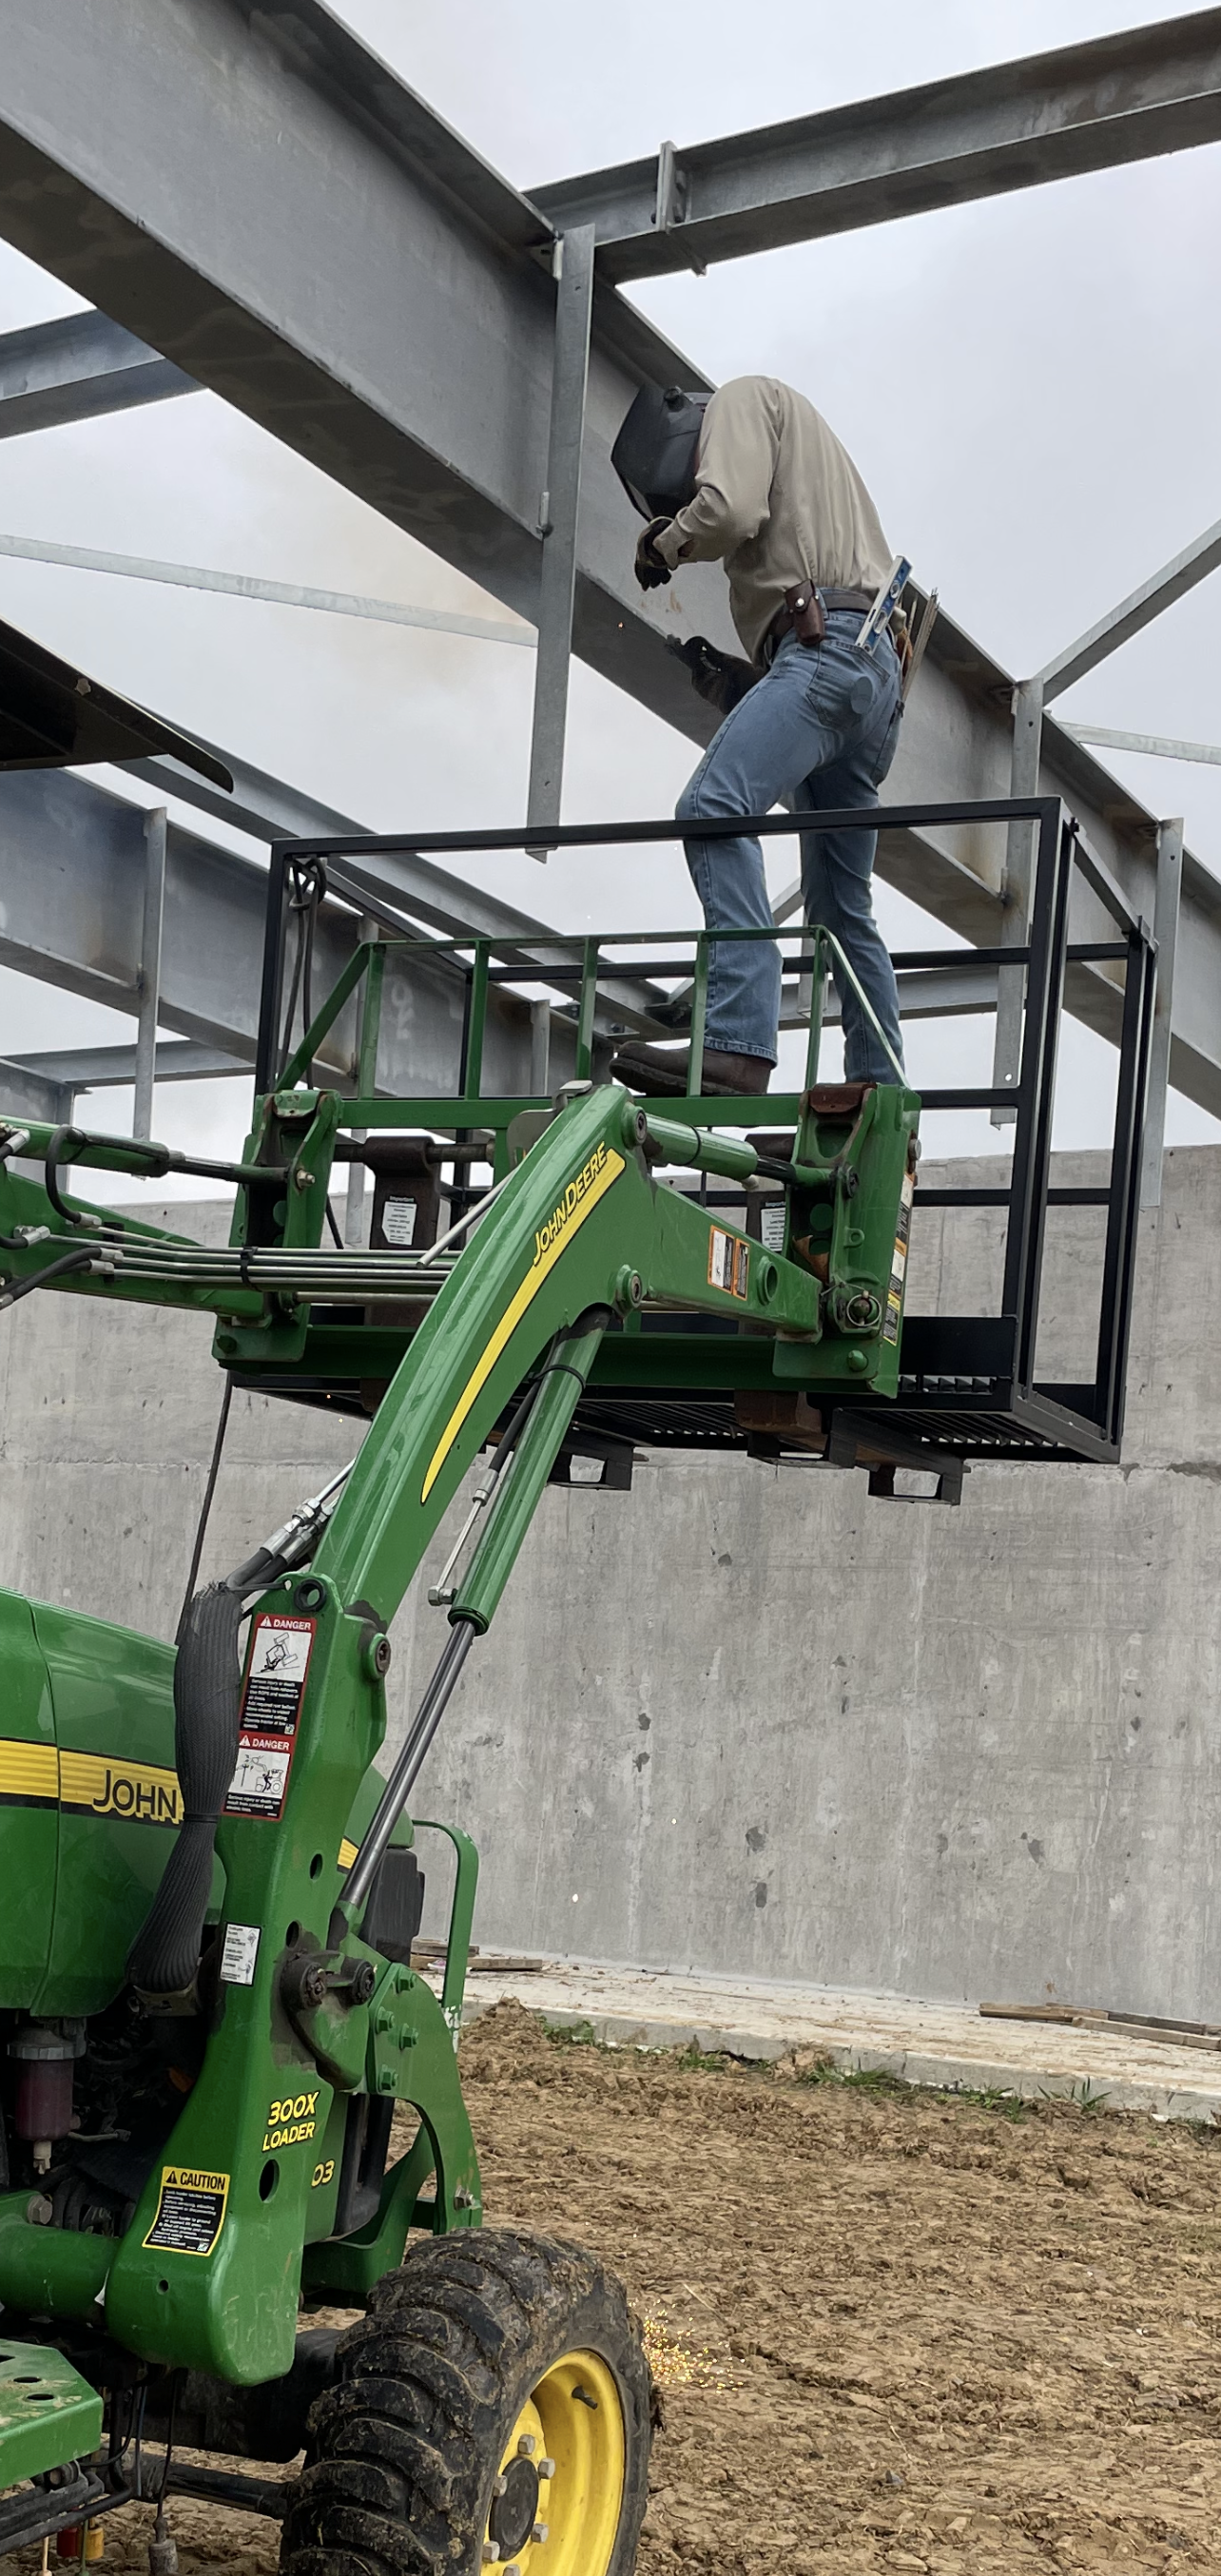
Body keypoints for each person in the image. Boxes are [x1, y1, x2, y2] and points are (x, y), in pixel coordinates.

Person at [610, 376, 907, 1098]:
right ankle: (880, 1091)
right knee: (840, 904)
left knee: (713, 806)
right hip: (867, 669)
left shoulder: (740, 400)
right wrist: (747, 683)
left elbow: (729, 508)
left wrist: (662, 544)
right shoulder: (800, 452)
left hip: (829, 647)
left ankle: (740, 1040)